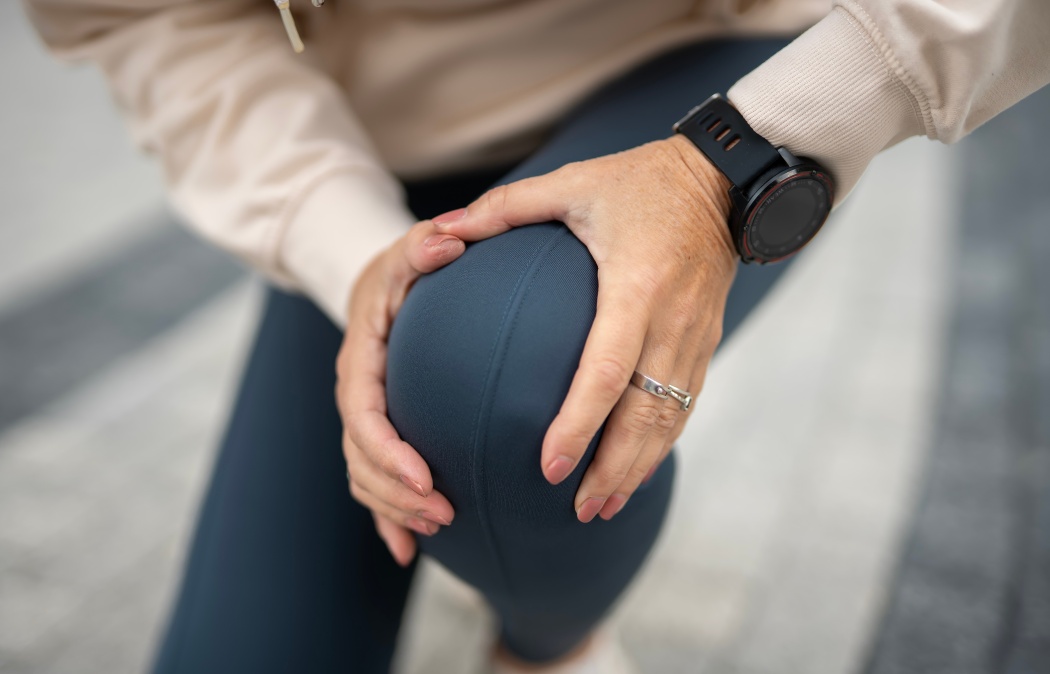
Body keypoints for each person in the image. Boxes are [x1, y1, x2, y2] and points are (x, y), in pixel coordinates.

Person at [24, 0, 1050, 672]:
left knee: (514, 386)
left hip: (702, 84)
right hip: (382, 139)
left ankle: (551, 644)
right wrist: (357, 253)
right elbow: (146, 17)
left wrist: (733, 162)